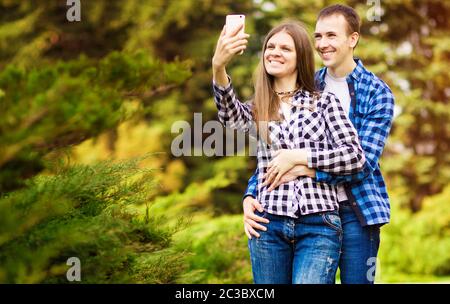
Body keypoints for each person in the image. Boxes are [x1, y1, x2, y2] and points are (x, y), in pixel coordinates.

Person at [243, 4, 395, 284]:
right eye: (318, 36)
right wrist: (251, 194)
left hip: (357, 214)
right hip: (307, 212)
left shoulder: (378, 93)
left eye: (331, 36)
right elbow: (275, 154)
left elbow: (363, 164)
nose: (323, 44)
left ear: (353, 39)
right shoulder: (303, 86)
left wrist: (302, 165)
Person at [212, 20, 365, 284]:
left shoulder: (324, 101)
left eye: (285, 48)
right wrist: (218, 67)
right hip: (267, 224)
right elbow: (229, 116)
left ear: (300, 57)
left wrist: (301, 157)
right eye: (270, 46)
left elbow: (354, 156)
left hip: (319, 225)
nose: (274, 52)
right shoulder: (258, 108)